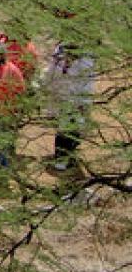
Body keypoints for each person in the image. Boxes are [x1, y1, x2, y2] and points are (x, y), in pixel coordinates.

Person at [46, 41, 96, 173]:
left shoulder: (86, 62)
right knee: (63, 130)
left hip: (76, 101)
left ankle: (65, 156)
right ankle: (61, 158)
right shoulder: (58, 56)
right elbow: (50, 74)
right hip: (60, 99)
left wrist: (82, 104)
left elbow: (88, 85)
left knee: (74, 130)